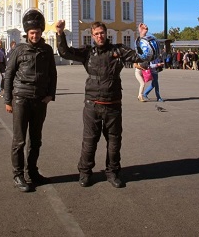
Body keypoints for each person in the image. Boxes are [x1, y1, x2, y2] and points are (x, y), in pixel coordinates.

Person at [56, 20, 155, 188]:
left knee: (114, 142)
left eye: (102, 33)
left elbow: (140, 56)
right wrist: (60, 33)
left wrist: (142, 37)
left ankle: (113, 172)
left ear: (106, 33)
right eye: (96, 34)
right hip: (92, 105)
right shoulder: (88, 52)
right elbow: (65, 52)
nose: (99, 36)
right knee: (89, 141)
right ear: (92, 36)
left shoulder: (118, 50)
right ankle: (85, 172)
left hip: (113, 104)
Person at [4, 9, 57, 192]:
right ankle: (18, 175)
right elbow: (9, 74)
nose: (35, 35)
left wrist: (51, 95)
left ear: (41, 32)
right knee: (19, 140)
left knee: (36, 140)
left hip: (40, 100)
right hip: (21, 99)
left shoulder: (47, 50)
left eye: (38, 32)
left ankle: (32, 172)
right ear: (27, 33)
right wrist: (8, 100)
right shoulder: (19, 50)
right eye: (32, 32)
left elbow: (52, 73)